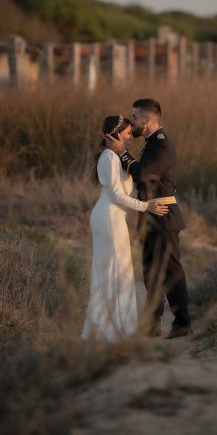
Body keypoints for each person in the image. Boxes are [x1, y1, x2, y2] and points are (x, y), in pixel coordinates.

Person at [105, 98, 192, 339]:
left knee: (171, 271)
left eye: (135, 118)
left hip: (164, 216)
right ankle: (152, 324)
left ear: (147, 119)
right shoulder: (151, 144)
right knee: (151, 272)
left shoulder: (162, 145)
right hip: (150, 215)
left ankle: (183, 323)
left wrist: (122, 153)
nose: (132, 122)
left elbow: (143, 174)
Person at [81, 115, 168, 343]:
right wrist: (146, 206)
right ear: (117, 133)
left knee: (118, 270)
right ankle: (109, 330)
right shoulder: (109, 157)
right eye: (128, 133)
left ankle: (114, 327)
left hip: (114, 216)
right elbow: (118, 195)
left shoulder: (116, 156)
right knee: (113, 270)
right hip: (108, 216)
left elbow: (128, 185)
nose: (131, 137)